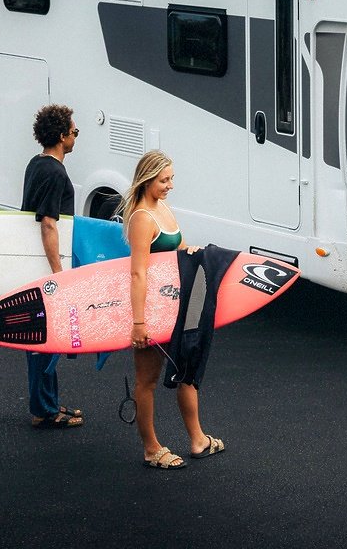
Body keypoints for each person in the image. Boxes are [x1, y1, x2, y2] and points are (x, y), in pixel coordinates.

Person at [122, 150, 225, 469]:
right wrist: (139, 322)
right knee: (147, 380)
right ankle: (151, 448)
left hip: (175, 306)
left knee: (187, 371)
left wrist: (187, 249)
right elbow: (138, 272)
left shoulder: (162, 207)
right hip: (152, 310)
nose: (170, 185)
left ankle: (197, 439)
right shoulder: (142, 217)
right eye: (164, 180)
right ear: (147, 180)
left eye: (171, 179)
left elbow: (174, 248)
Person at [21, 104, 84, 428]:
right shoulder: (54, 172)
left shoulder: (37, 163)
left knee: (44, 338)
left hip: (34, 264)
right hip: (44, 269)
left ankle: (48, 402)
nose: (76, 137)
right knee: (41, 341)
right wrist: (58, 273)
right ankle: (44, 411)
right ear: (61, 136)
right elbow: (47, 223)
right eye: (74, 131)